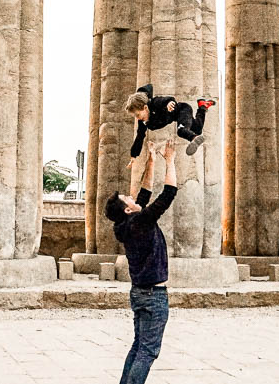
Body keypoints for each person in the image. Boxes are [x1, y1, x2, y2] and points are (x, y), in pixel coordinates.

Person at [105, 139, 177, 384]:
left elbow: (144, 193)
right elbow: (168, 194)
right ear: (128, 209)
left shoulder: (126, 225)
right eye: (128, 198)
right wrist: (170, 161)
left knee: (138, 346)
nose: (131, 196)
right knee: (148, 351)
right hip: (154, 294)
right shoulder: (141, 221)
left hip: (138, 292)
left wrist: (152, 160)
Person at [125, 83, 215, 159]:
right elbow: (139, 137)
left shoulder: (155, 103)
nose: (137, 118)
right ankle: (202, 106)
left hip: (183, 110)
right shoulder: (143, 121)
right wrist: (133, 156)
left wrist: (169, 103)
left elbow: (167, 100)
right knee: (198, 129)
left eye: (138, 115)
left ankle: (194, 138)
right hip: (177, 117)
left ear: (145, 107)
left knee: (181, 130)